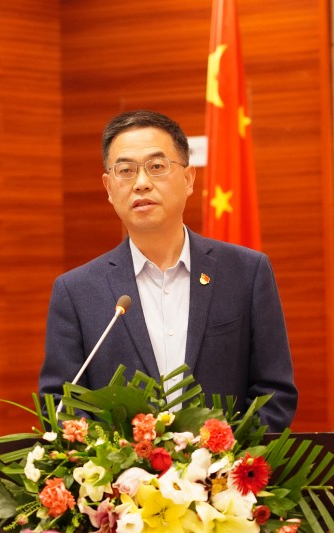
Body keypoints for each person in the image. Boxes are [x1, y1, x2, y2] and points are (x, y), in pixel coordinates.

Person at [38, 110, 297, 431]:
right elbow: (61, 403)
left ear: (188, 179)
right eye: (125, 171)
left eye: (157, 167)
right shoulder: (77, 291)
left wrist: (226, 456)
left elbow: (274, 393)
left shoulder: (246, 273)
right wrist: (112, 458)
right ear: (108, 187)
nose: (141, 183)